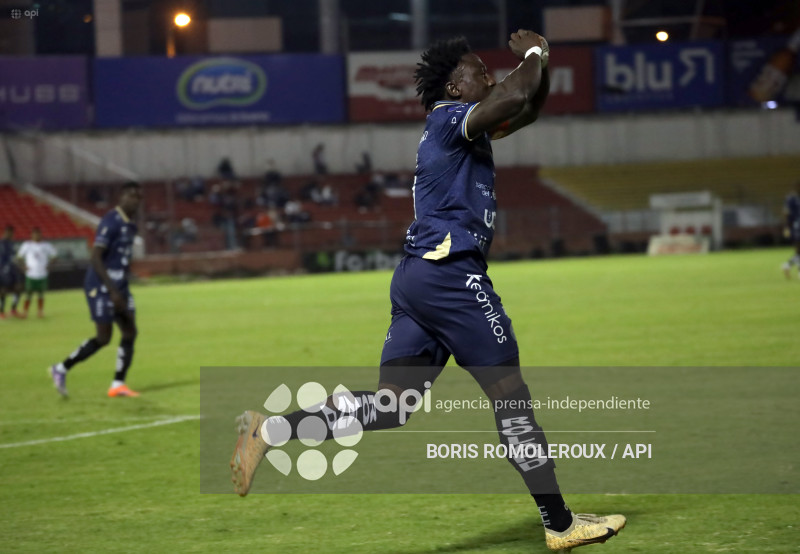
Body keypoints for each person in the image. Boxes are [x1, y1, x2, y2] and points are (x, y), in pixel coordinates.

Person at [230, 31, 625, 551]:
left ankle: (270, 432)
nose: (489, 77)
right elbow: (513, 95)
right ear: (456, 87)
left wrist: (537, 70)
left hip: (418, 279)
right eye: (480, 71)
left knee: (393, 405)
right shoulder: (448, 120)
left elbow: (524, 107)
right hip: (450, 275)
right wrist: (536, 54)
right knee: (510, 396)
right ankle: (559, 523)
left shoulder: (464, 129)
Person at [49, 181, 143, 398]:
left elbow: (122, 259)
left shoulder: (131, 225)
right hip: (101, 286)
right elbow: (95, 257)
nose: (135, 200)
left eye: (138, 197)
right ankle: (61, 368)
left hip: (120, 286)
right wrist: (112, 290)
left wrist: (123, 285)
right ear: (121, 197)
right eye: (130, 195)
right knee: (103, 338)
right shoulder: (111, 220)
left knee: (130, 331)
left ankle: (118, 384)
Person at [16, 227, 57, 318]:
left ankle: (40, 311)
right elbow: (19, 257)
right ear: (31, 235)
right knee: (28, 293)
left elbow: (54, 257)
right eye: (34, 234)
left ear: (41, 234)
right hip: (31, 274)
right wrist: (23, 267)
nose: (36, 235)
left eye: (38, 234)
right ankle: (25, 312)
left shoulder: (46, 245)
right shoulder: (27, 245)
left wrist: (50, 266)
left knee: (41, 293)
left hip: (42, 273)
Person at [0, 225, 24, 318]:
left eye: (11, 232)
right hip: (2, 269)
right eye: (9, 232)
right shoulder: (1, 243)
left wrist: (20, 266)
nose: (11, 234)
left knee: (18, 287)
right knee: (3, 290)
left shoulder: (11, 243)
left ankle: (13, 309)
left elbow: (14, 257)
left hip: (13, 269)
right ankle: (1, 311)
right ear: (5, 232)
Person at [781, 181, 800, 279]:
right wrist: (786, 227)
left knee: (798, 252)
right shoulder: (792, 198)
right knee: (798, 251)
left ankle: (787, 265)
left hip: (796, 227)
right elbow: (786, 213)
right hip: (797, 227)